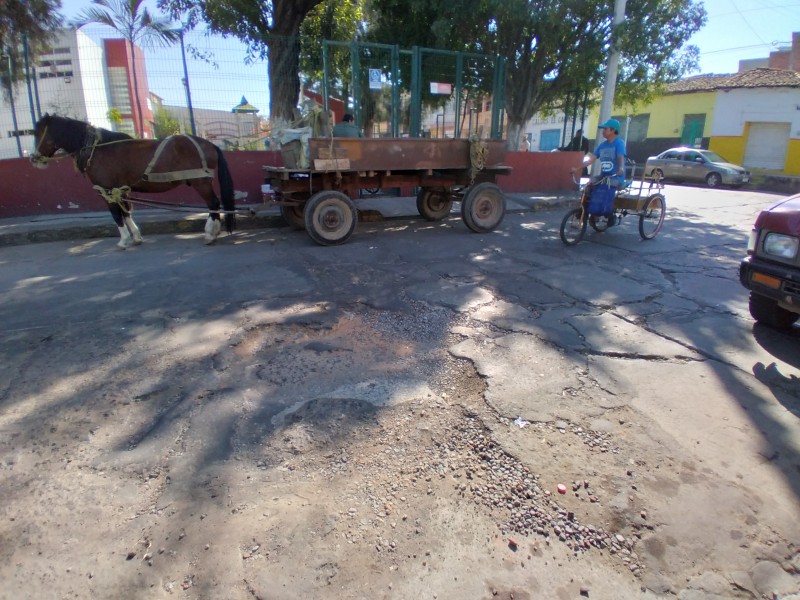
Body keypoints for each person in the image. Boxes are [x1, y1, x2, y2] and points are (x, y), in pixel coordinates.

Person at [580, 119, 626, 226]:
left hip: (616, 177)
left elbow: (620, 157)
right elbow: (591, 159)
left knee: (604, 187)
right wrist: (578, 168)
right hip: (604, 176)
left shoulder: (619, 143)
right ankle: (586, 211)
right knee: (588, 186)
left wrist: (621, 169)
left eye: (605, 129)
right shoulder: (602, 145)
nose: (603, 131)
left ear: (613, 130)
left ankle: (609, 215)